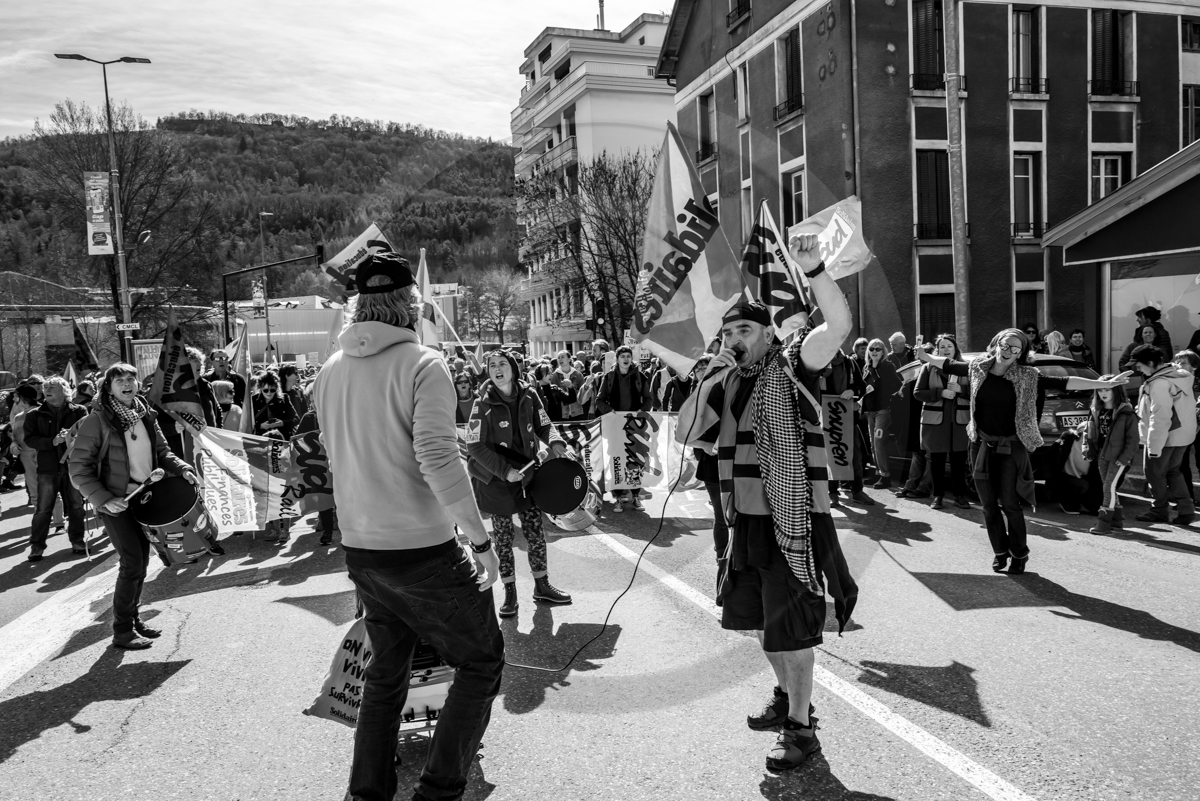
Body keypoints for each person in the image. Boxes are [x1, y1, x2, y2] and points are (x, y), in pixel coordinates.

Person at [312, 252, 504, 801]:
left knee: (386, 675)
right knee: (482, 660)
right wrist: (481, 539)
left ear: (359, 306)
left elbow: (338, 458)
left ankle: (367, 792)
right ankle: (438, 791)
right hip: (421, 548)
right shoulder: (424, 363)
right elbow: (440, 459)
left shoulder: (329, 371)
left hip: (364, 549)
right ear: (411, 305)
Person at [678, 233, 857, 773]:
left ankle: (802, 730)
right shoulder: (728, 379)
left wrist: (817, 270)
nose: (735, 337)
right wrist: (708, 374)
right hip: (745, 521)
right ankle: (787, 700)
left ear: (766, 332)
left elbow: (839, 325)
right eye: (729, 330)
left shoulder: (794, 362)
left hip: (793, 521)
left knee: (793, 627)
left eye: (745, 329)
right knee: (759, 623)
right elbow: (689, 431)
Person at [915, 329, 1128, 573]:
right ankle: (1000, 551)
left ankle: (1019, 553)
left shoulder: (1028, 375)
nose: (1008, 352)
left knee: (1010, 504)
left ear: (1021, 353)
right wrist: (926, 357)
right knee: (988, 506)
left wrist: (1102, 383)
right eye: (1006, 346)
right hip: (981, 445)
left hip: (1012, 446)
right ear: (996, 344)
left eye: (1016, 349)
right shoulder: (978, 368)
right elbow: (949, 363)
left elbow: (1065, 382)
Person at [68, 363, 200, 649]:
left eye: (131, 379)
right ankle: (122, 631)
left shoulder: (145, 413)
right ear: (108, 387)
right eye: (119, 381)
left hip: (145, 498)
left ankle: (133, 620)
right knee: (132, 563)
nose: (127, 384)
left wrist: (182, 468)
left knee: (140, 563)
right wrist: (104, 499)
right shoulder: (97, 420)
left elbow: (163, 452)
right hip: (116, 503)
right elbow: (78, 469)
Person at [466, 349, 571, 618]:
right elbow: (475, 446)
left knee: (535, 531)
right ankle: (509, 591)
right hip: (496, 479)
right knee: (503, 538)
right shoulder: (481, 404)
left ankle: (541, 585)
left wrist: (557, 442)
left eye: (502, 364)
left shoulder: (529, 394)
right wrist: (504, 471)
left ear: (513, 368)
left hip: (526, 474)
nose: (497, 368)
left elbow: (545, 424)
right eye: (491, 365)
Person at [1129, 345, 1196, 525]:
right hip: (1182, 435)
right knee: (1174, 472)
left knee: (1154, 473)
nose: (1137, 368)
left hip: (1164, 436)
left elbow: (1161, 416)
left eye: (1139, 365)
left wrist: (1154, 447)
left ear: (1150, 363)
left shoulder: (1159, 383)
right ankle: (1187, 510)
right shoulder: (1178, 376)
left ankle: (1159, 511)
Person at [23, 377, 89, 560]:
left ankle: (77, 540)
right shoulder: (34, 414)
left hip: (73, 467)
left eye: (52, 387)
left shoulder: (79, 411)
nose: (47, 389)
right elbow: (30, 439)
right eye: (45, 387)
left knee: (76, 506)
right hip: (48, 468)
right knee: (43, 509)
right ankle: (37, 546)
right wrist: (52, 441)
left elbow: (89, 434)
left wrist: (72, 437)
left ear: (65, 391)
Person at [913, 334, 971, 510]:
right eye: (942, 347)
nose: (946, 349)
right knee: (936, 461)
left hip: (960, 422)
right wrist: (940, 393)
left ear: (955, 349)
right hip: (936, 422)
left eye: (949, 346)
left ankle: (960, 496)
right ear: (937, 351)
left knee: (958, 461)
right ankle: (938, 496)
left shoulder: (966, 369)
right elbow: (918, 393)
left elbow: (977, 393)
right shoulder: (928, 368)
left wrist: (961, 389)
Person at [595, 344, 653, 511]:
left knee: (635, 461)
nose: (626, 359)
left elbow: (648, 399)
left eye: (628, 356)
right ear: (617, 359)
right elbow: (599, 400)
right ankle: (619, 497)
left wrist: (641, 412)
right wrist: (611, 411)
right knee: (617, 460)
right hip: (615, 427)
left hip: (635, 427)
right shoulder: (609, 377)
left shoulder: (640, 377)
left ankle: (635, 496)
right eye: (623, 356)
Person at [1083, 380, 1139, 534]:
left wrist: (1124, 458)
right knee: (1108, 486)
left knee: (1108, 486)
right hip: (1101, 454)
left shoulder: (1126, 412)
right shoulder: (1096, 409)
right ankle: (1117, 520)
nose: (1103, 393)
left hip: (1118, 456)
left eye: (1107, 390)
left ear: (1117, 391)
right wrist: (1088, 449)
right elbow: (1091, 432)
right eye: (1100, 390)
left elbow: (1133, 440)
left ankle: (1104, 522)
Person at [820, 349, 873, 507]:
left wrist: (853, 391)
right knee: (831, 457)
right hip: (827, 417)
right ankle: (832, 493)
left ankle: (857, 491)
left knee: (855, 456)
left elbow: (861, 386)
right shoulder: (819, 362)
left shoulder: (849, 362)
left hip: (848, 416)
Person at [861, 338, 900, 489]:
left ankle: (885, 476)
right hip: (870, 410)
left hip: (883, 410)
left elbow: (897, 385)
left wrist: (879, 390)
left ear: (883, 351)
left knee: (879, 443)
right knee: (873, 444)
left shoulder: (887, 366)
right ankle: (878, 473)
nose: (875, 351)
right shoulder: (867, 367)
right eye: (872, 349)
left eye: (878, 349)